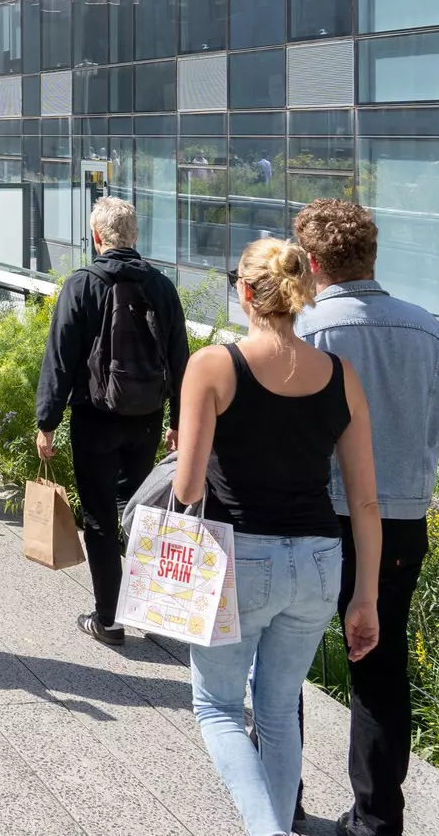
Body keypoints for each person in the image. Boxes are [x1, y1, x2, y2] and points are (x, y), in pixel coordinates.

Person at [175, 238, 382, 836]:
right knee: (277, 711)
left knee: (216, 707)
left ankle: (269, 832)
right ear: (302, 293)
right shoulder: (341, 375)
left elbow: (188, 488)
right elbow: (365, 501)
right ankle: (279, 825)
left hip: (241, 557)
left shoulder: (214, 365)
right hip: (320, 563)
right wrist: (364, 598)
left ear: (244, 291)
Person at [293, 201, 439, 836]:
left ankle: (283, 802)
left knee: (286, 664)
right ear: (372, 255)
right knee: (383, 669)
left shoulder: (305, 331)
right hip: (401, 521)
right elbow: (437, 430)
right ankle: (377, 820)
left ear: (310, 263)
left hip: (316, 514)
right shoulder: (428, 329)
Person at [34, 196, 189, 644]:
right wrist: (178, 421)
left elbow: (60, 359)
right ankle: (148, 611)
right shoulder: (161, 286)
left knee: (100, 517)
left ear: (97, 236)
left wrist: (46, 421)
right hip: (146, 417)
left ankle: (109, 619)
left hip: (94, 418)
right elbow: (181, 359)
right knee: (141, 512)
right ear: (135, 236)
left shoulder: (82, 285)